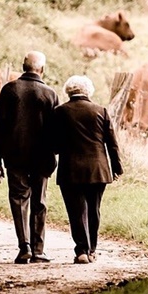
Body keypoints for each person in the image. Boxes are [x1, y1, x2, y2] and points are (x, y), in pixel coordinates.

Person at [0, 51, 59, 264]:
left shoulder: (9, 90)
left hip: (15, 156)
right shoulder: (50, 94)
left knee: (19, 200)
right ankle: (39, 250)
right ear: (43, 70)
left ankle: (24, 247)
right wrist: (54, 153)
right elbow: (56, 130)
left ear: (23, 66)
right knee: (39, 201)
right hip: (42, 157)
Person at [52, 75, 123, 264]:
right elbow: (112, 144)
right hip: (98, 169)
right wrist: (116, 167)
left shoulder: (60, 112)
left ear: (68, 91)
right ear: (88, 91)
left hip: (70, 170)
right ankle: (92, 250)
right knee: (94, 209)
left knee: (76, 211)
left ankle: (81, 251)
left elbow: (55, 145)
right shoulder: (101, 111)